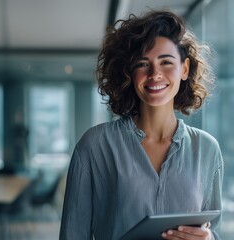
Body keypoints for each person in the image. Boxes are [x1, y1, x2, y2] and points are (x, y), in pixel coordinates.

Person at [60, 9, 223, 240]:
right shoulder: (94, 146)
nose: (155, 74)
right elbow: (73, 235)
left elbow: (214, 230)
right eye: (143, 64)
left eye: (166, 62)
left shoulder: (207, 149)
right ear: (129, 71)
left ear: (184, 69)